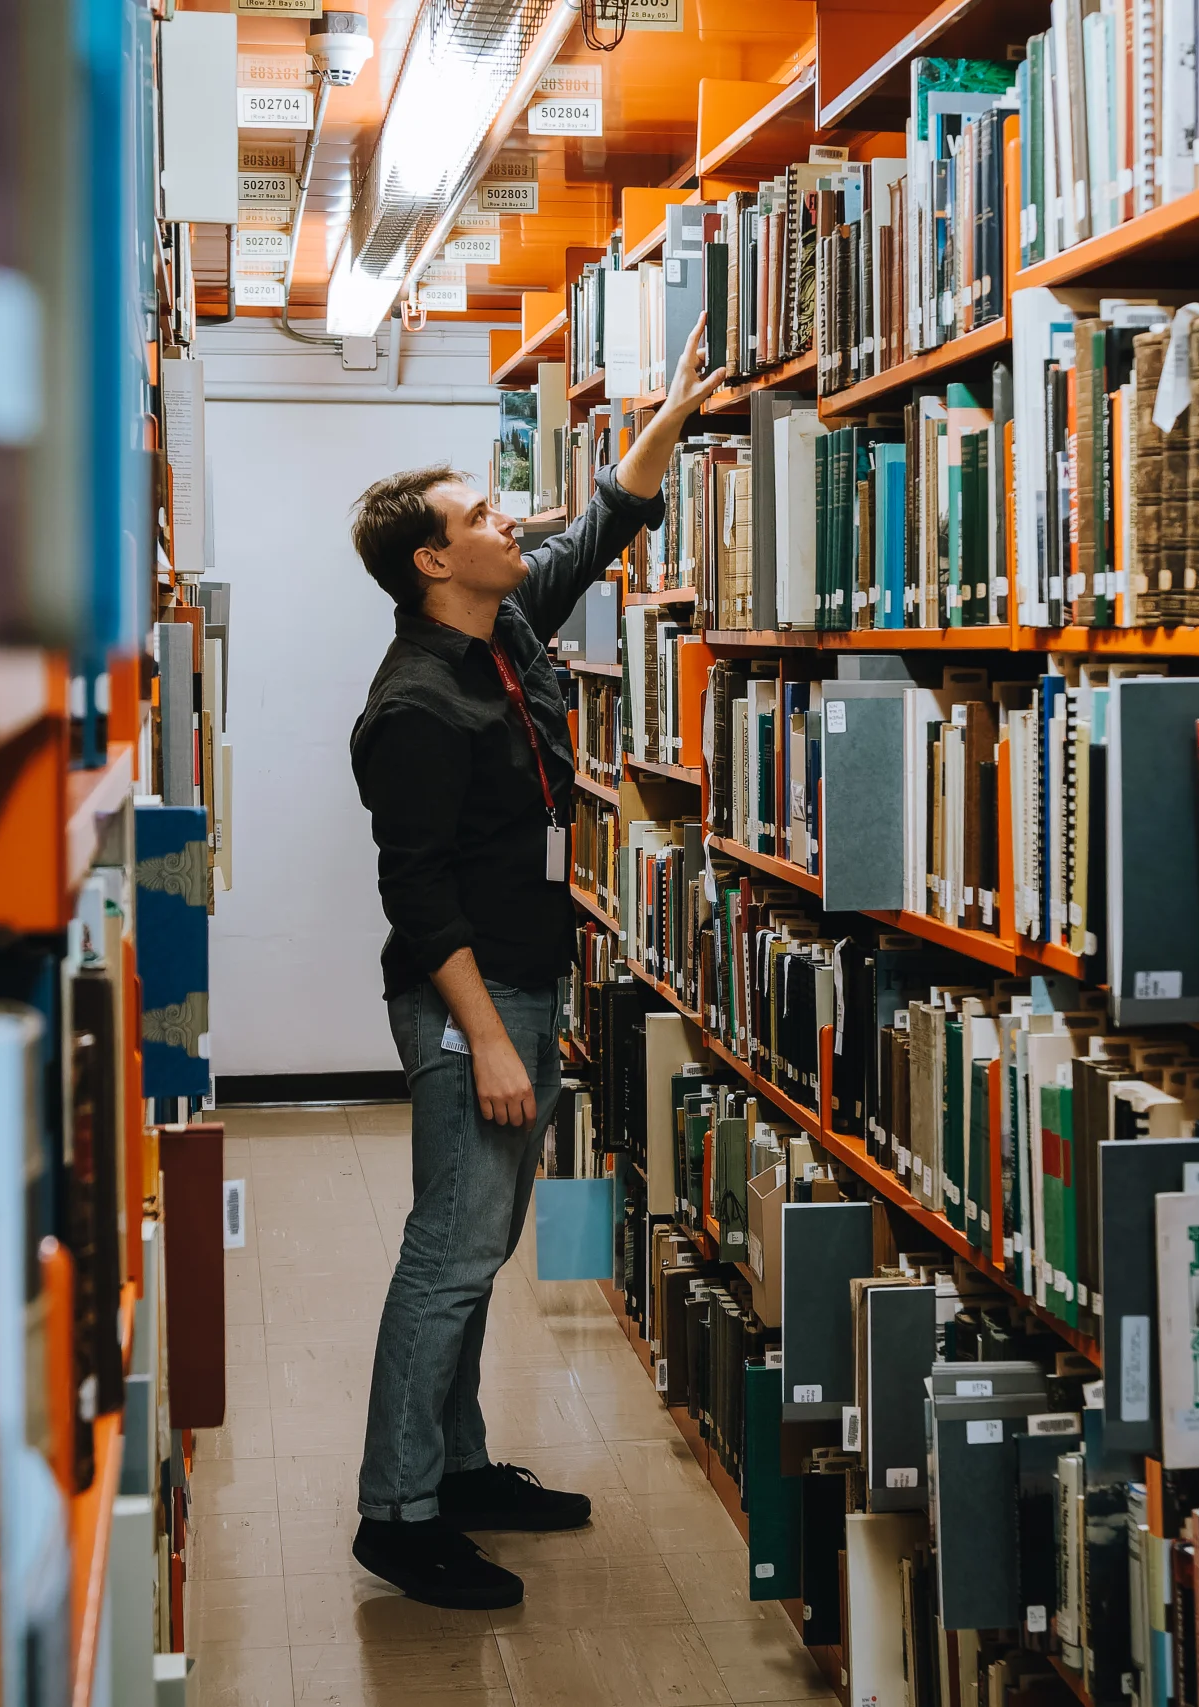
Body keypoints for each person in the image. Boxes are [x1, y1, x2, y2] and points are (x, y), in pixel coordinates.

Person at [343, 315, 730, 1609]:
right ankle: (397, 1510)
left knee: (479, 1234)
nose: (510, 519)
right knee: (450, 1252)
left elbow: (602, 525)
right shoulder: (413, 706)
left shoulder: (502, 639)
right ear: (430, 560)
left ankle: (455, 1467)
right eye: (483, 513)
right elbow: (417, 892)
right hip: (471, 1002)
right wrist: (493, 1037)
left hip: (521, 978)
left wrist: (670, 408)